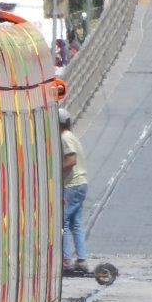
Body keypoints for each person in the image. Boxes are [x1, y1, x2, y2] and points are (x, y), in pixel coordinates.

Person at [59, 108, 89, 271]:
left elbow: (71, 160)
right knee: (75, 223)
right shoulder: (72, 136)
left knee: (61, 222)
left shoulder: (64, 138)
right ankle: (82, 259)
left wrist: (56, 171)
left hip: (71, 185)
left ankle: (65, 260)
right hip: (81, 184)